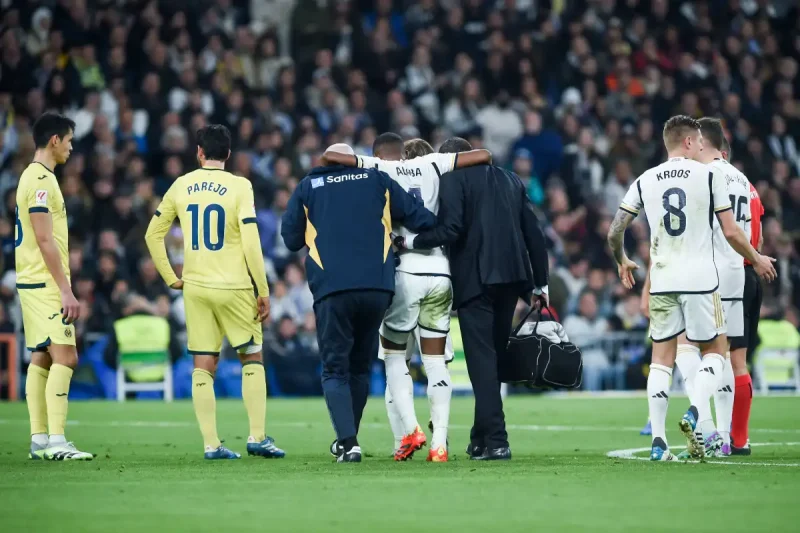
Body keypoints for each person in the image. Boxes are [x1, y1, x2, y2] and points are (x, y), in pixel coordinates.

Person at [607, 115, 776, 462]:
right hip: (702, 279)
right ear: (687, 142)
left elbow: (614, 230)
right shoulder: (710, 175)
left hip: (664, 279)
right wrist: (756, 258)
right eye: (698, 141)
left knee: (660, 360)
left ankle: (658, 442)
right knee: (717, 350)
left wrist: (622, 260)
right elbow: (730, 232)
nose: (701, 146)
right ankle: (699, 414)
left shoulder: (646, 179)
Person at [321, 133, 491, 462]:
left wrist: (357, 163)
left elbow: (333, 156)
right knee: (435, 361)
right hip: (441, 271)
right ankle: (440, 444)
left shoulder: (377, 168)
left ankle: (411, 430)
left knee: (395, 358)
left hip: (403, 273)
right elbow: (482, 154)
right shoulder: (431, 162)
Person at [394, 137, 550, 461]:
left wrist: (410, 242)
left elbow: (451, 229)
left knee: (482, 365)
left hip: (476, 280)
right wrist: (540, 284)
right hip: (512, 279)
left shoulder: (453, 178)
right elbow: (533, 233)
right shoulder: (510, 179)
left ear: (452, 160)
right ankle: (480, 439)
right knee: (490, 362)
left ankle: (497, 440)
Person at [281, 143, 436, 463]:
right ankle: (348, 439)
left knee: (335, 367)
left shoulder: (309, 185)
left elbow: (291, 239)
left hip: (333, 289)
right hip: (376, 288)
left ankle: (348, 442)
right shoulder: (376, 179)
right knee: (360, 367)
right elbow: (420, 216)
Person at [145, 124, 284, 460]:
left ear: (199, 152)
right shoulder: (240, 186)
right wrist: (262, 288)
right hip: (234, 285)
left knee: (203, 364)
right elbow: (251, 241)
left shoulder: (181, 185)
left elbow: (152, 234)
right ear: (229, 154)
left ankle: (211, 444)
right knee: (251, 357)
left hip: (195, 287)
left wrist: (171, 278)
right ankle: (257, 437)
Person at [665, 119, 752, 458]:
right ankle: (726, 439)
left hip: (707, 274)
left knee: (687, 346)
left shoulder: (705, 176)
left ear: (704, 143)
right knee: (725, 353)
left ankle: (705, 426)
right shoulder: (743, 179)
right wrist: (755, 257)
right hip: (736, 273)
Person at [18, 112, 93, 461]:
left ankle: (39, 440)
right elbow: (44, 238)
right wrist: (65, 289)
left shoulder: (34, 177)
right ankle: (58, 440)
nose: (71, 147)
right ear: (54, 141)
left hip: (31, 280)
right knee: (66, 356)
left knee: (41, 357)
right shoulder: (41, 181)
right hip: (45, 282)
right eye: (69, 140)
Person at [730, 178, 765, 455]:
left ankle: (712, 432)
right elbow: (760, 237)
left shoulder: (712, 178)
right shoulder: (748, 185)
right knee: (739, 362)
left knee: (713, 355)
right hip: (751, 276)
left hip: (727, 275)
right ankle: (739, 439)